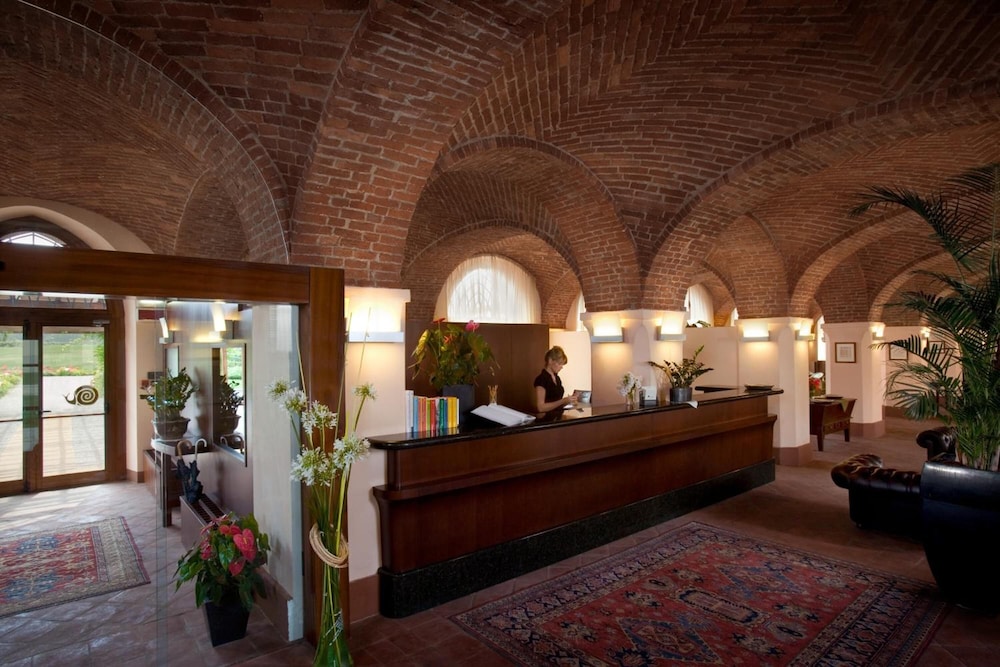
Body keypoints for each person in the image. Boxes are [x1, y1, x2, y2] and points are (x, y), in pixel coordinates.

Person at [534, 346, 577, 413]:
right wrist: (563, 401)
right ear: (550, 361)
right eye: (559, 363)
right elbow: (541, 408)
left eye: (562, 364)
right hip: (546, 418)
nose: (561, 367)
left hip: (558, 416)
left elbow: (557, 404)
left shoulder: (557, 379)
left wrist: (568, 401)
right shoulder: (541, 379)